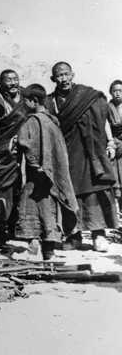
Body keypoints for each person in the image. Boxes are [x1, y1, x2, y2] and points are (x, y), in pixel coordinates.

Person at [45, 62, 117, 252]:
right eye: (59, 75)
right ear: (53, 79)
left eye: (66, 74)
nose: (63, 79)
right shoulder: (50, 102)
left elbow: (103, 120)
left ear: (73, 75)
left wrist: (110, 142)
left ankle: (98, 235)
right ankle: (74, 236)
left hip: (89, 153)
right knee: (69, 193)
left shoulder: (87, 96)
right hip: (65, 154)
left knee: (94, 191)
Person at [15, 84, 78, 260]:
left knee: (31, 209)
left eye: (25, 101)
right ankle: (48, 252)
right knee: (49, 211)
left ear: (34, 101)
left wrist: (34, 164)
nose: (23, 104)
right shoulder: (52, 121)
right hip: (51, 177)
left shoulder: (32, 121)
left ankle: (33, 246)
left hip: (36, 177)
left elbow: (26, 145)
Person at [0, 69, 28, 244]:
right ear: (1, 83)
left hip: (24, 150)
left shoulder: (26, 96)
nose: (13, 83)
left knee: (20, 188)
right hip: (3, 153)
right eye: (8, 80)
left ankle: (15, 227)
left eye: (15, 79)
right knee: (1, 189)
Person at [106, 80, 122, 211]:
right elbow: (105, 126)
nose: (117, 93)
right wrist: (111, 142)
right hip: (114, 144)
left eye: (120, 91)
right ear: (111, 92)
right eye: (115, 91)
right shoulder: (107, 108)